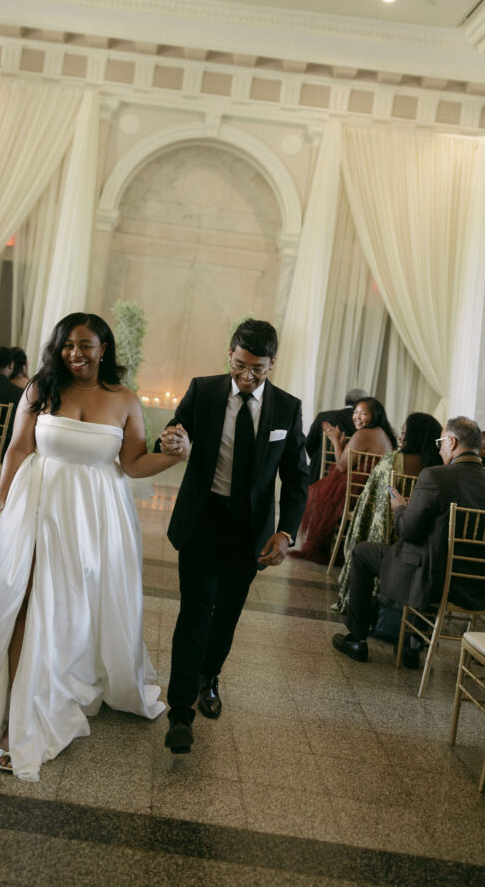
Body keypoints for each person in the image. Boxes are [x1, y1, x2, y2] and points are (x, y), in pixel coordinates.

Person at [0, 312, 187, 781]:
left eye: (85, 345)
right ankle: (14, 719)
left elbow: (134, 463)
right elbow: (19, 448)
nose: (75, 354)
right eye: (67, 345)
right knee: (21, 600)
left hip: (94, 517)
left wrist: (175, 456)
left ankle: (55, 687)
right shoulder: (41, 388)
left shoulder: (125, 400)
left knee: (70, 608)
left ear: (104, 348)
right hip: (37, 503)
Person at [156, 319, 308, 755]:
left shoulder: (287, 408)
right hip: (203, 519)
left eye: (257, 370)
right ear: (230, 353)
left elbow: (298, 477)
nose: (247, 377)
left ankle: (210, 676)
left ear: (272, 363)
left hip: (251, 532)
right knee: (195, 613)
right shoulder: (203, 391)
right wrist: (170, 440)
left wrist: (286, 532)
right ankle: (180, 713)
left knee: (226, 616)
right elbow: (172, 431)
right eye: (240, 365)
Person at [332, 417, 485, 664]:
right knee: (426, 556)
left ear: (452, 441)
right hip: (478, 586)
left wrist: (399, 508)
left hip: (432, 580)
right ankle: (409, 642)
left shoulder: (436, 477)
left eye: (441, 442)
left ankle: (357, 638)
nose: (438, 449)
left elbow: (407, 531)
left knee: (363, 552)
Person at [334, 412, 442, 613]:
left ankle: (358, 626)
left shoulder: (392, 461)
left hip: (394, 539)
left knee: (361, 551)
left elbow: (370, 504)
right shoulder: (440, 469)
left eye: (404, 432)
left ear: (414, 436)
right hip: (429, 551)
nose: (400, 438)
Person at [291, 397, 396, 565]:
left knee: (315, 494)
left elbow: (341, 467)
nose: (357, 417)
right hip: (368, 489)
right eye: (355, 413)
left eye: (363, 413)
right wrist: (341, 444)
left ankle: (328, 547)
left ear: (374, 415)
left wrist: (335, 441)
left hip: (357, 490)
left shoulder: (363, 434)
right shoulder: (383, 433)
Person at [305, 387, 366, 483]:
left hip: (317, 474)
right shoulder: (364, 423)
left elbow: (309, 444)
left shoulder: (323, 416)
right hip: (349, 480)